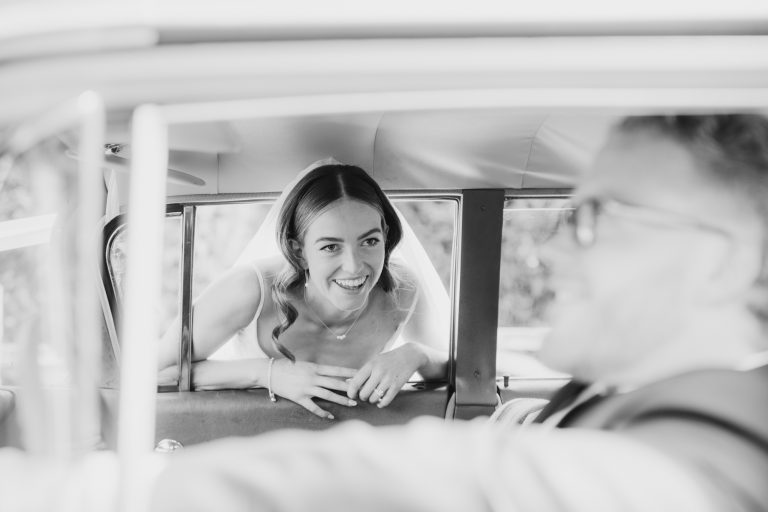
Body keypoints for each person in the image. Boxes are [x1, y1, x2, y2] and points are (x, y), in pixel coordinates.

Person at [150, 115, 768, 511]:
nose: (548, 249)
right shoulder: (575, 407)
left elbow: (440, 474)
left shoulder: (692, 462)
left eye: (593, 219)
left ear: (723, 263)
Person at [158, 160, 449, 419]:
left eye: (369, 241)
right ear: (299, 251)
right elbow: (155, 372)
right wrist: (269, 373)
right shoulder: (251, 288)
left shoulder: (403, 288)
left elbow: (459, 373)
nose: (354, 267)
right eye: (331, 247)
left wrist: (416, 354)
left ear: (385, 236)